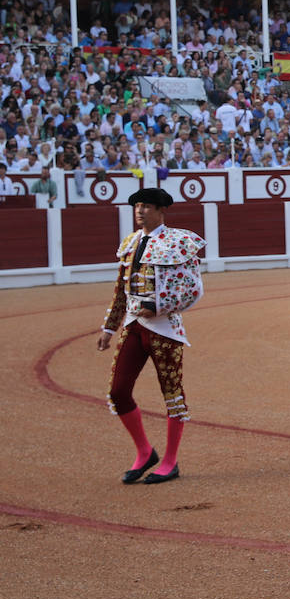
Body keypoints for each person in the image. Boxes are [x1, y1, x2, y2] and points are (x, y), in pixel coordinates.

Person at [96, 187, 206, 484]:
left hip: (165, 328)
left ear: (161, 211)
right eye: (137, 206)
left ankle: (170, 461)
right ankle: (145, 452)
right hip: (133, 325)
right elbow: (121, 289)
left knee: (171, 394)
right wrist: (109, 327)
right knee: (118, 392)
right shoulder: (130, 242)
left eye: (146, 206)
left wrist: (157, 305)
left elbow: (194, 290)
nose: (140, 211)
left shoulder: (178, 242)